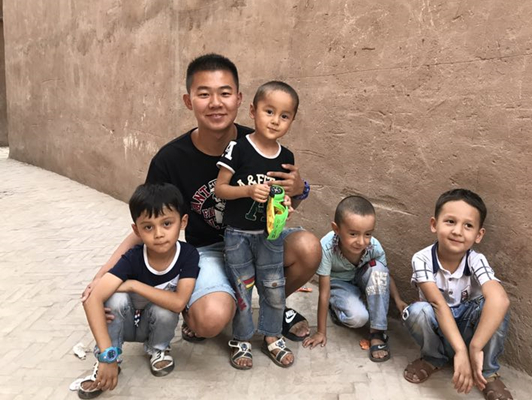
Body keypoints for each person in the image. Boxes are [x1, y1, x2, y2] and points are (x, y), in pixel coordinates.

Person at [81, 54, 320, 347]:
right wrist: (103, 275)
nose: (216, 103)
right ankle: (199, 307)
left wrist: (298, 190)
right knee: (211, 319)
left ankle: (275, 307)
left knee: (308, 248)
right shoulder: (170, 160)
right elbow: (147, 224)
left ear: (240, 99)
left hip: (257, 240)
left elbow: (282, 209)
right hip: (206, 251)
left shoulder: (262, 144)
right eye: (204, 94)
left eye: (225, 93)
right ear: (188, 100)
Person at [78, 183, 199, 399]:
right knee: (115, 298)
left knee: (167, 307)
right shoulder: (133, 257)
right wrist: (106, 354)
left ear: (183, 222)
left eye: (167, 223)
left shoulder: (188, 255)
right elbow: (92, 299)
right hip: (123, 324)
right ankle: (111, 359)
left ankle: (157, 349)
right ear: (136, 230)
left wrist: (133, 285)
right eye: (148, 227)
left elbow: (180, 303)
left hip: (153, 324)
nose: (159, 234)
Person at [214, 81, 299, 369]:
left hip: (270, 235)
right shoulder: (238, 148)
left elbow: (285, 197)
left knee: (274, 286)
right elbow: (220, 189)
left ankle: (273, 336)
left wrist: (286, 203)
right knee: (243, 289)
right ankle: (242, 339)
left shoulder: (287, 158)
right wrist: (248, 191)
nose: (275, 120)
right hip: (237, 235)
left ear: (292, 120)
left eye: (284, 116)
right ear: (252, 111)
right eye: (269, 111)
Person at [402, 189, 513, 400]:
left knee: (494, 306)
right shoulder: (422, 259)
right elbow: (437, 304)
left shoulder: (476, 260)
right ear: (434, 224)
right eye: (450, 221)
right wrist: (461, 352)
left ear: (479, 235)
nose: (458, 231)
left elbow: (500, 299)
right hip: (438, 326)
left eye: (468, 225)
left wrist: (474, 347)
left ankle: (487, 373)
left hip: (467, 328)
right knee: (417, 311)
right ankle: (433, 358)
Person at [302, 195, 408, 362]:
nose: (361, 241)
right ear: (336, 229)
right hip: (339, 284)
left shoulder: (374, 246)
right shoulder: (327, 247)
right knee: (358, 318)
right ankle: (338, 309)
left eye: (367, 234)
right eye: (353, 234)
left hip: (361, 279)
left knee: (378, 269)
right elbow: (324, 291)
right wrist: (321, 332)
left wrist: (398, 300)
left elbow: (384, 275)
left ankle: (377, 333)